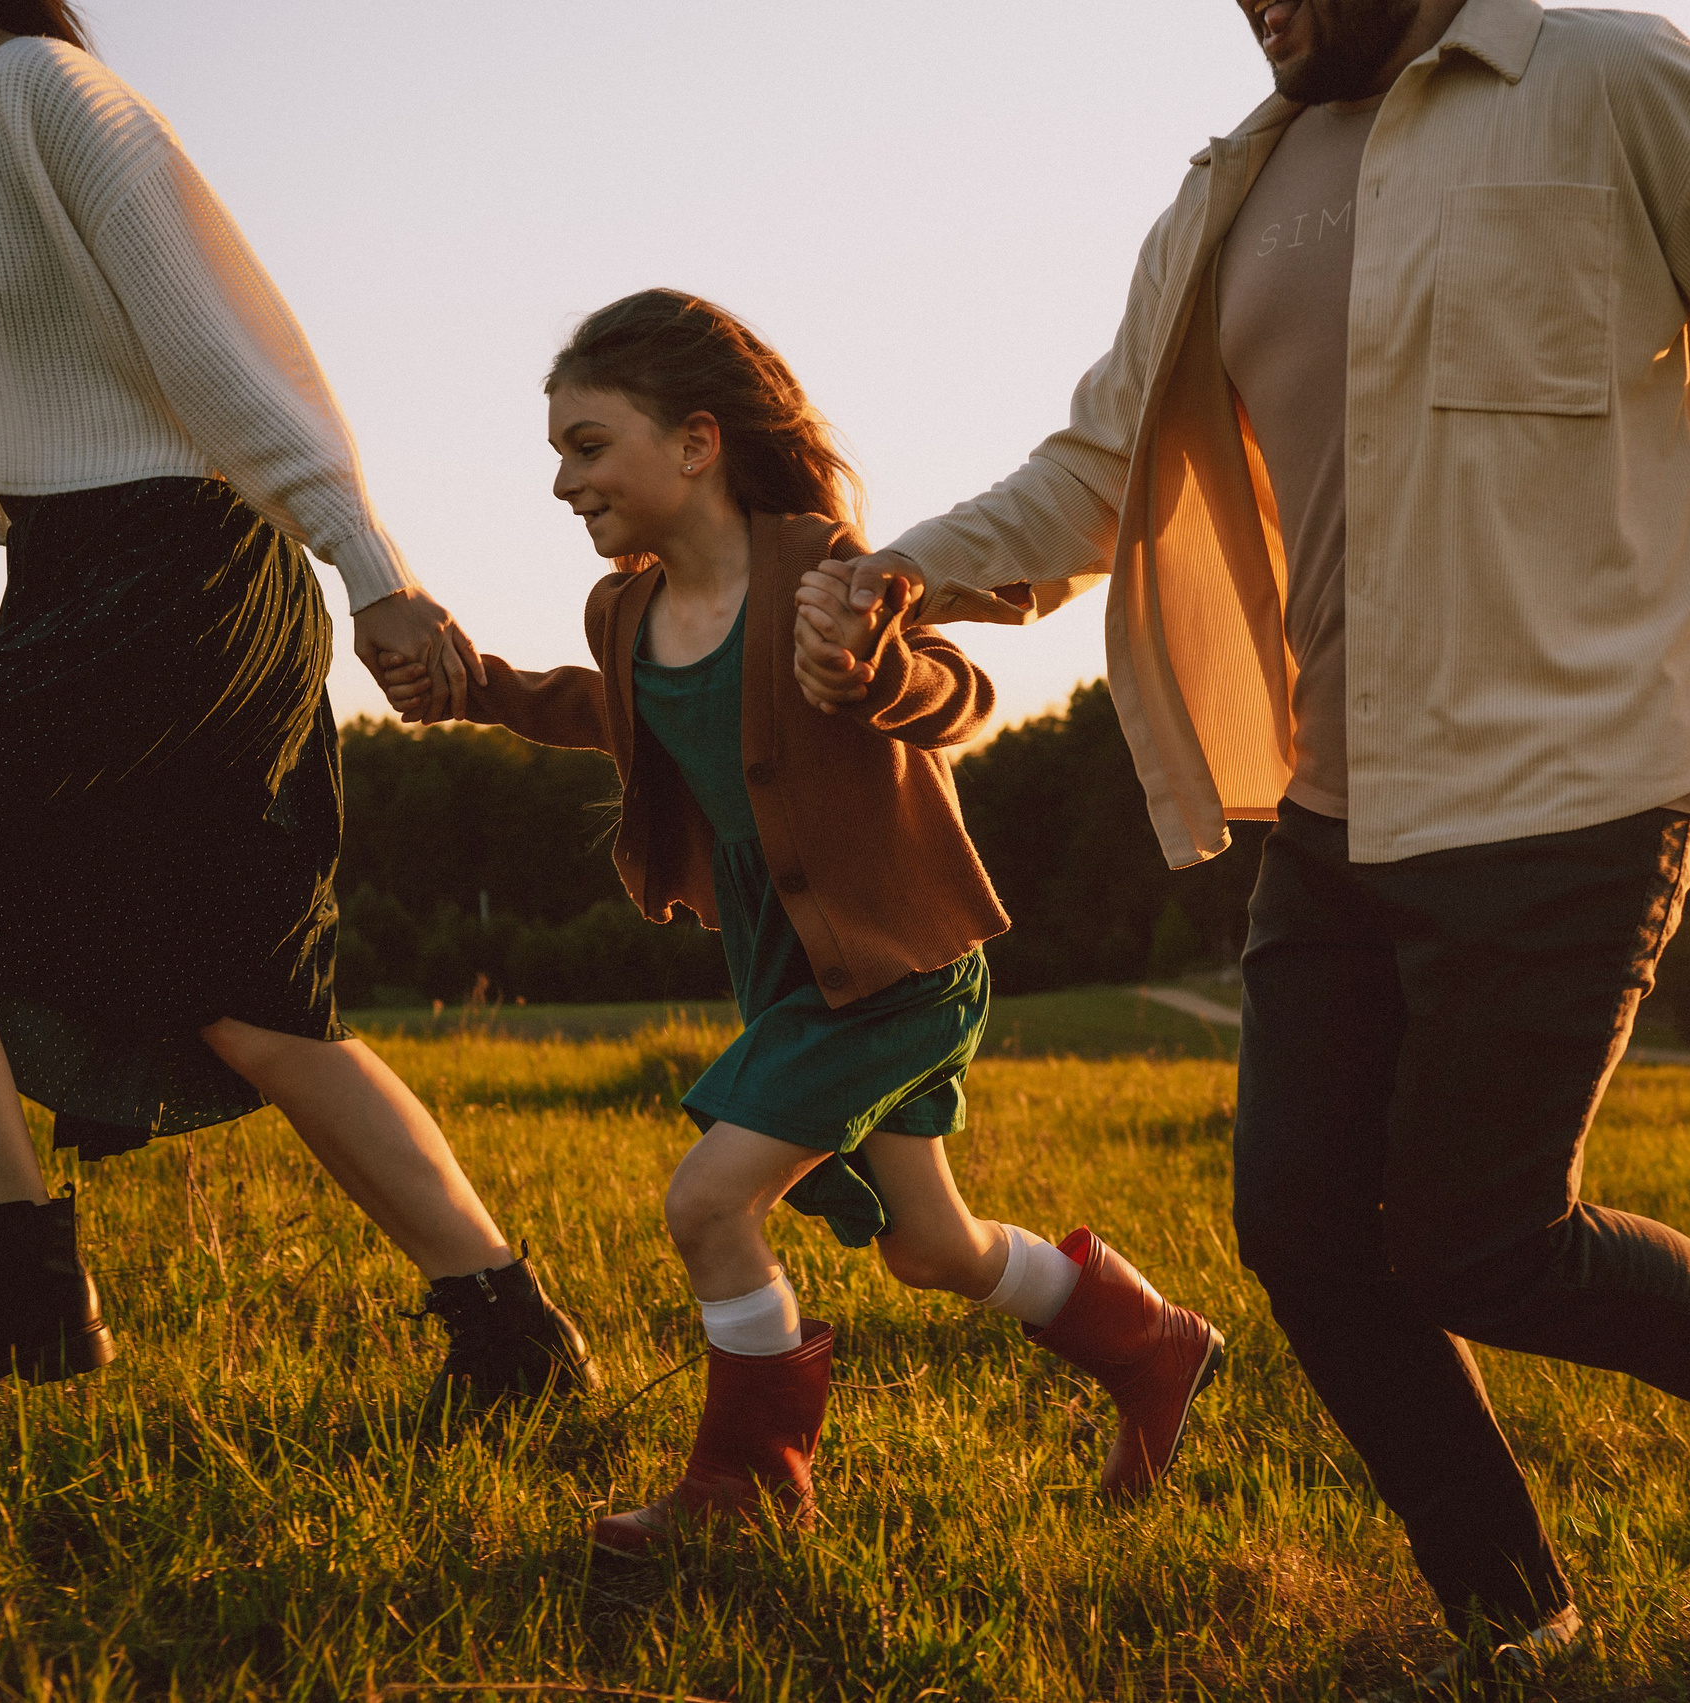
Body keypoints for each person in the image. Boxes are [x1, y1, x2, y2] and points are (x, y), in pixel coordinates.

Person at [795, 0, 1690, 1682]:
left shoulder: (1613, 84)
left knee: (1474, 1235)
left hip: (1578, 777)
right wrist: (902, 574)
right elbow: (1099, 463)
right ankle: (1512, 1609)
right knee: (1303, 1227)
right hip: (1336, 799)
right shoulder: (1234, 183)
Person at [380, 288, 1222, 1551]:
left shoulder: (826, 569)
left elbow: (961, 690)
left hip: (896, 958)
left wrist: (880, 671)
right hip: (786, 967)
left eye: (587, 444)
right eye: (558, 452)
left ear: (697, 442)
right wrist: (477, 689)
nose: (564, 481)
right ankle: (1153, 1344)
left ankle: (746, 1486)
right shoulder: (626, 611)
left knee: (710, 1203)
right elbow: (610, 709)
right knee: (932, 1246)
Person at [0, 0, 594, 1428]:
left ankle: (14, 1269)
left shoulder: (46, 91)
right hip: (71, 577)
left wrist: (373, 566)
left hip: (193, 565)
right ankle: (509, 1327)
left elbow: (220, 336)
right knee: (240, 994)